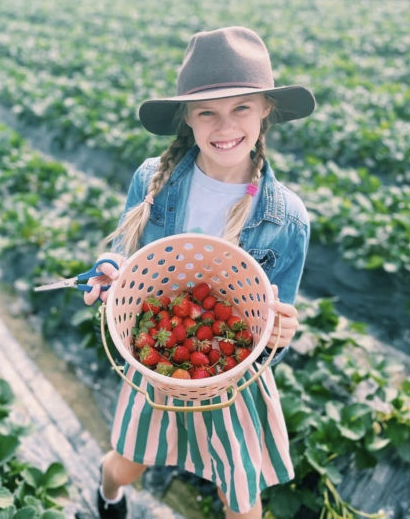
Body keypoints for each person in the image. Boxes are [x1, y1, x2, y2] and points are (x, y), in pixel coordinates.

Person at [83, 26, 315, 519]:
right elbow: (132, 265)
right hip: (158, 366)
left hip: (230, 379)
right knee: (124, 465)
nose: (224, 125)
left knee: (241, 495)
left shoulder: (287, 218)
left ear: (265, 109)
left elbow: (273, 323)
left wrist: (282, 329)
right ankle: (108, 499)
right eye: (207, 111)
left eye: (241, 108)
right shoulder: (153, 179)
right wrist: (110, 273)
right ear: (187, 117)